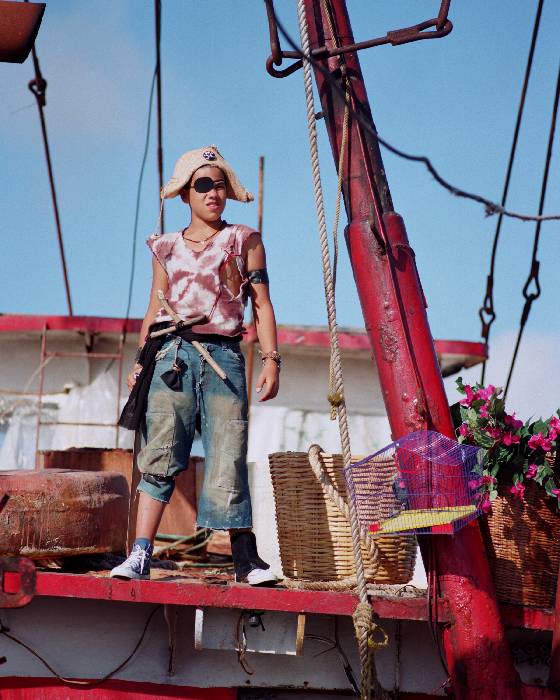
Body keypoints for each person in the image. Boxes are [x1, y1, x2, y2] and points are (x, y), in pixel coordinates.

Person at [111, 146, 280, 586]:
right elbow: (155, 306)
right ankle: (140, 554)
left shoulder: (244, 240)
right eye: (203, 185)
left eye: (220, 185)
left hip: (224, 357)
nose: (213, 193)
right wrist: (140, 362)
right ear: (186, 193)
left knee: (229, 452)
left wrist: (271, 360)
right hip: (172, 357)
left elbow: (261, 304)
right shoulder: (165, 247)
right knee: (160, 452)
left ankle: (246, 560)